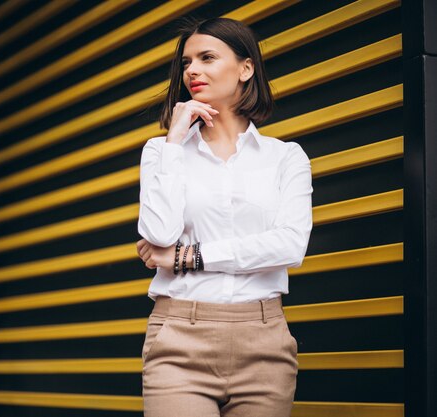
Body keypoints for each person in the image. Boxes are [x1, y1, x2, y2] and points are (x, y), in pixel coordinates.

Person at [135, 16, 313, 417]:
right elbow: (158, 233)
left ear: (246, 68)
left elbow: (289, 246)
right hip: (181, 336)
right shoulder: (162, 151)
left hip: (264, 341)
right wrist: (175, 140)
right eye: (186, 63)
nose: (192, 70)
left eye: (207, 58)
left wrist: (188, 256)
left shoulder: (285, 157)